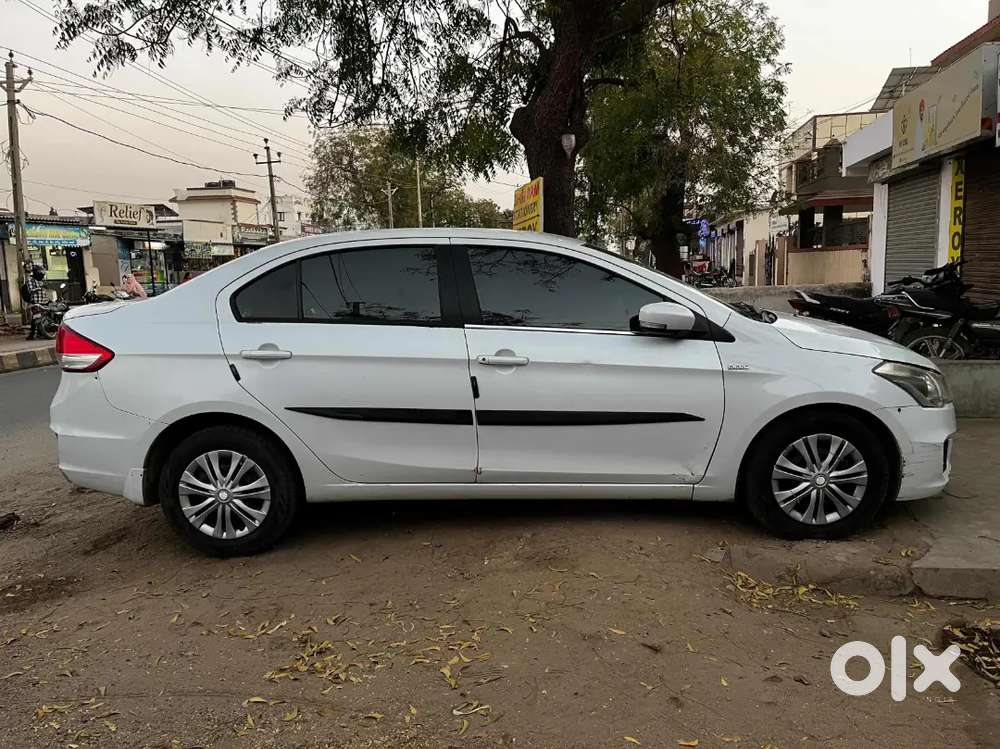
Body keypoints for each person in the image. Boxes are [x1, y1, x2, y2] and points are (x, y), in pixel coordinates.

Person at [24, 265, 49, 340]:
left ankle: (40, 332)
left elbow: (44, 291)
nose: (42, 275)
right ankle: (32, 334)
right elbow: (31, 290)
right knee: (35, 318)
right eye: (41, 273)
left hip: (43, 301)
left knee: (45, 316)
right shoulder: (30, 281)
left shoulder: (41, 281)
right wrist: (39, 288)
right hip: (35, 302)